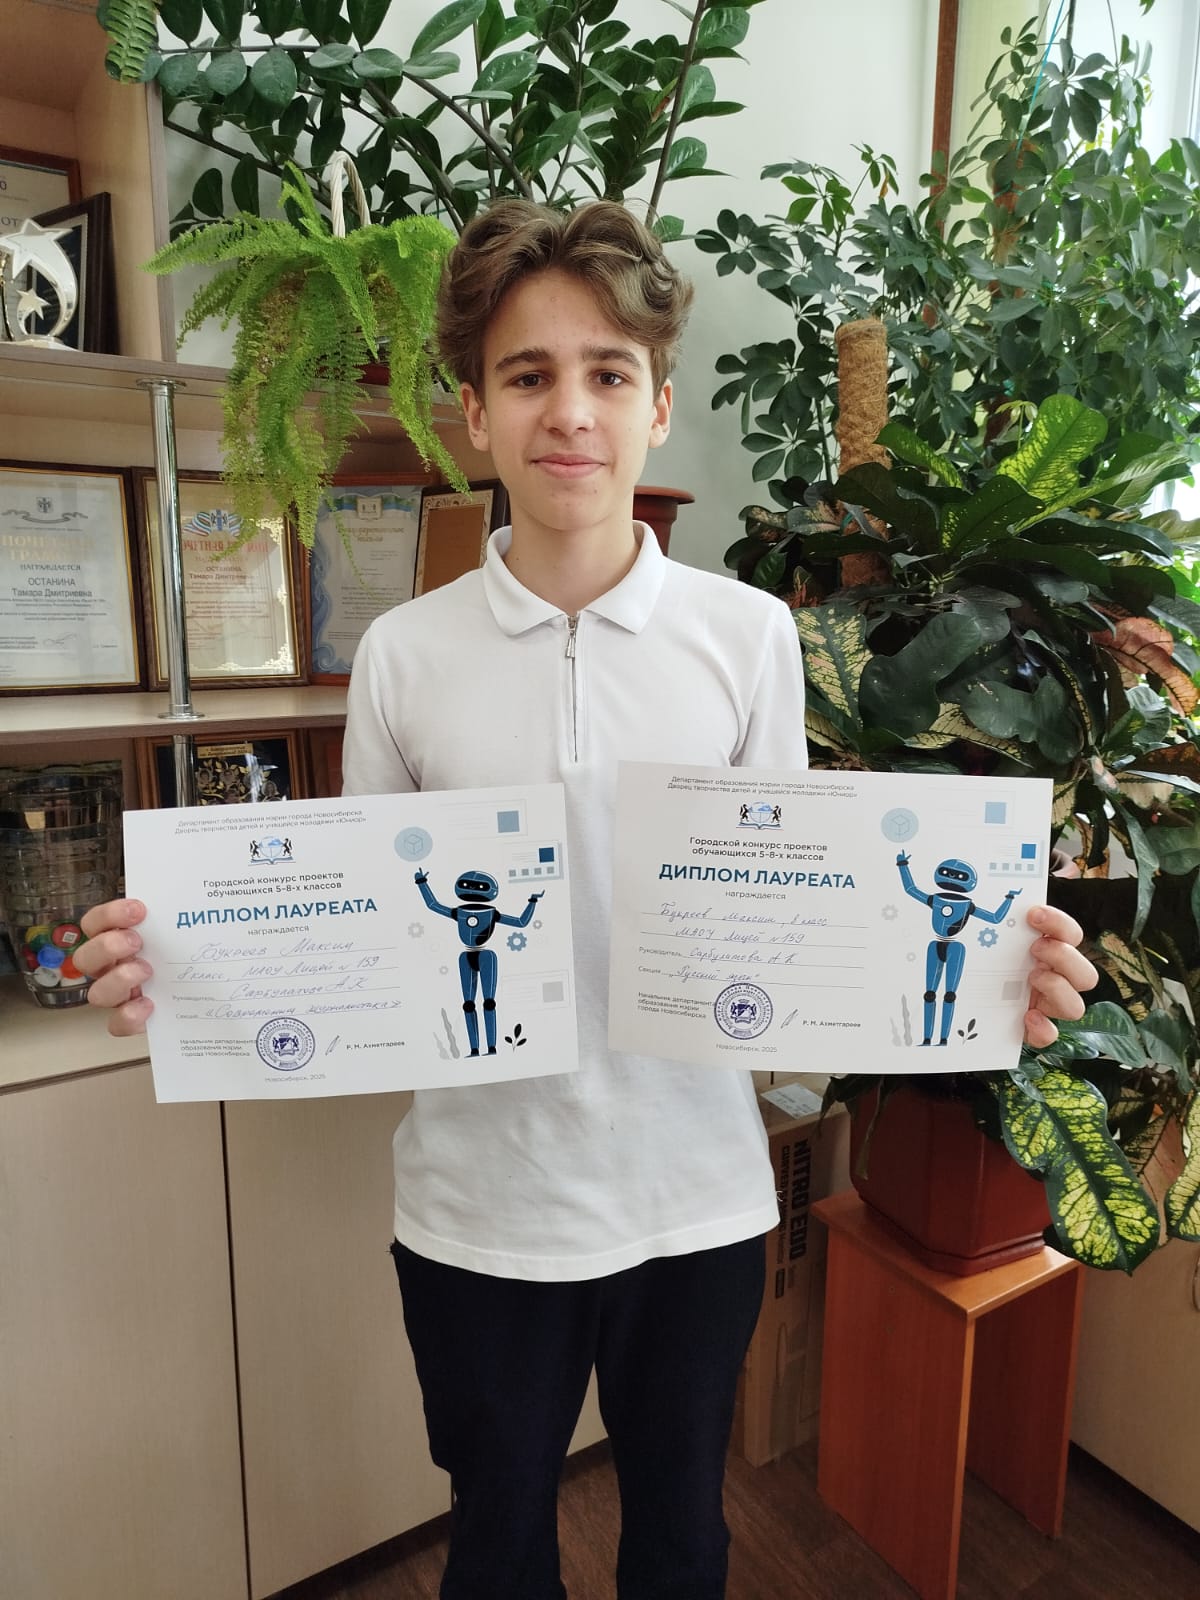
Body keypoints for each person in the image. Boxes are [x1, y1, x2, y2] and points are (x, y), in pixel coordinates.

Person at [75, 200, 1097, 1600]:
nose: (570, 410)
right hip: (476, 1215)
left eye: (609, 372)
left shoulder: (748, 638)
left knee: (681, 1540)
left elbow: (799, 920)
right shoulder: (403, 657)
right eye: (528, 374)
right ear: (474, 414)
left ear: (658, 406)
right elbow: (367, 936)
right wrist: (190, 967)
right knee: (496, 1547)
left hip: (697, 1204)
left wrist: (991, 979)